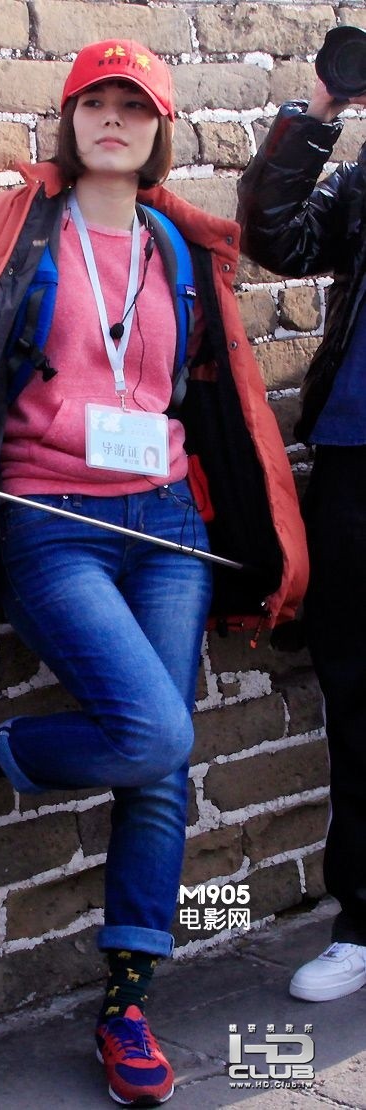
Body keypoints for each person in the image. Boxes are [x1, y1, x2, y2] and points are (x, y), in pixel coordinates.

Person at [0, 39, 307, 1107]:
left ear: (159, 130)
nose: (112, 119)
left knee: (158, 767)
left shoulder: (176, 246)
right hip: (50, 521)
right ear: (68, 120)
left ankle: (126, 1006)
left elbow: (207, 390)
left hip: (164, 522)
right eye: (94, 102)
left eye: (135, 105)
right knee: (156, 733)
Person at [237, 71, 366, 1004]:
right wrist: (321, 108)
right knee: (355, 700)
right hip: (354, 466)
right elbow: (273, 235)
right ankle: (361, 923)